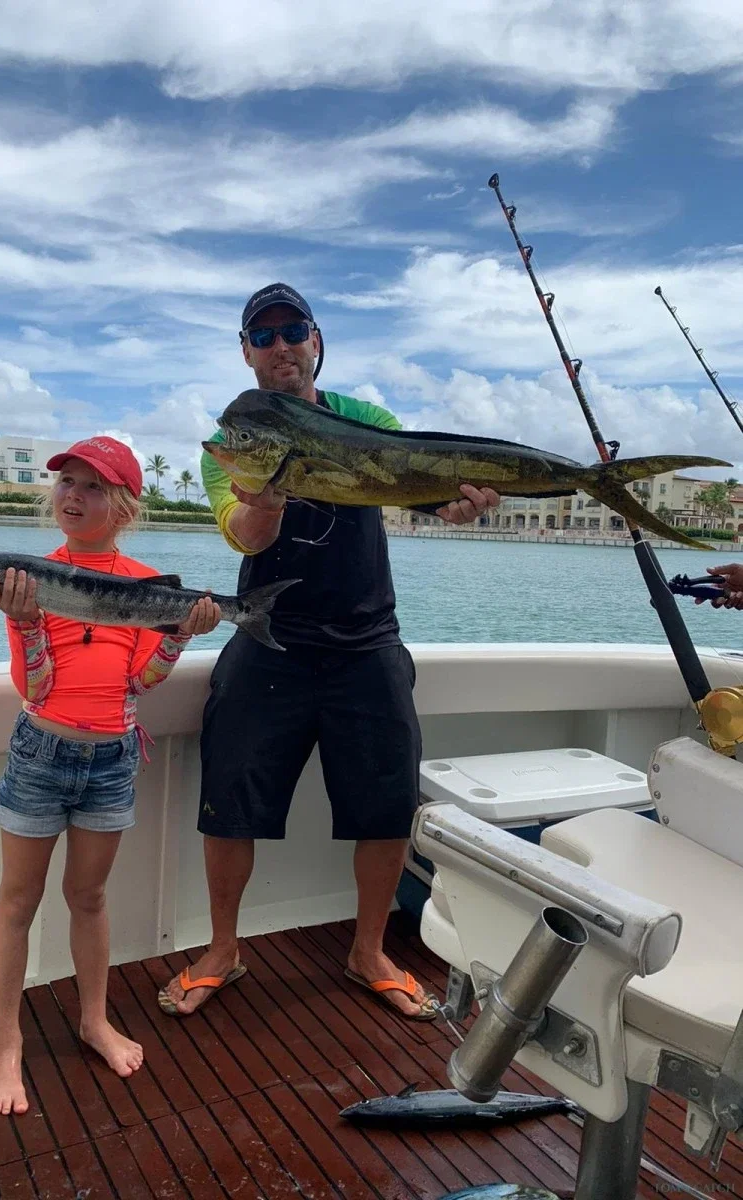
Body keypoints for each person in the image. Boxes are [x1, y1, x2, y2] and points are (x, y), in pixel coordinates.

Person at [158, 283, 500, 1021]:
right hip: (268, 637)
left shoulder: (367, 420)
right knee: (229, 800)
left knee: (386, 805)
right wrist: (267, 496)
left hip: (367, 640)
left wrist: (454, 503)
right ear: (246, 352)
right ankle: (223, 949)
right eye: (264, 335)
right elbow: (245, 534)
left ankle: (367, 951)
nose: (280, 345)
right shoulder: (231, 439)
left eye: (294, 331)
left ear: (316, 340)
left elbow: (415, 483)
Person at [0, 436, 220, 1116]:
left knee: (87, 897)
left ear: (123, 507)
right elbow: (35, 688)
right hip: (40, 753)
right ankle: (6, 1042)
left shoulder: (147, 585)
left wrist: (178, 634)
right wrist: (27, 624)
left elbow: (139, 683)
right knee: (18, 900)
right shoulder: (28, 578)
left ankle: (93, 1020)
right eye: (67, 483)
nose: (74, 496)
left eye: (92, 487)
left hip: (112, 760)